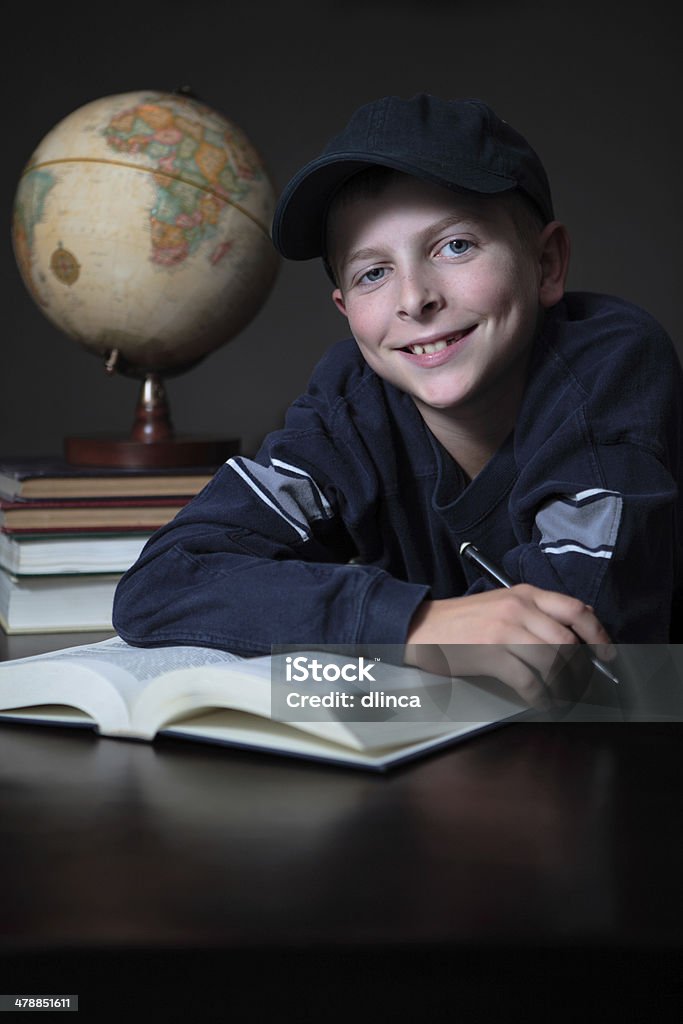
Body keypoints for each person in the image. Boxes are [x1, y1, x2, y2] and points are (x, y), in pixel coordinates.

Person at [112, 93, 683, 708]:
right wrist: (411, 626)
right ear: (347, 313)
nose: (414, 299)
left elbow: (569, 649)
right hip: (453, 757)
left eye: (455, 246)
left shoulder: (611, 366)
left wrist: (358, 633)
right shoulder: (352, 402)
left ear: (546, 264)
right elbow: (165, 581)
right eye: (372, 273)